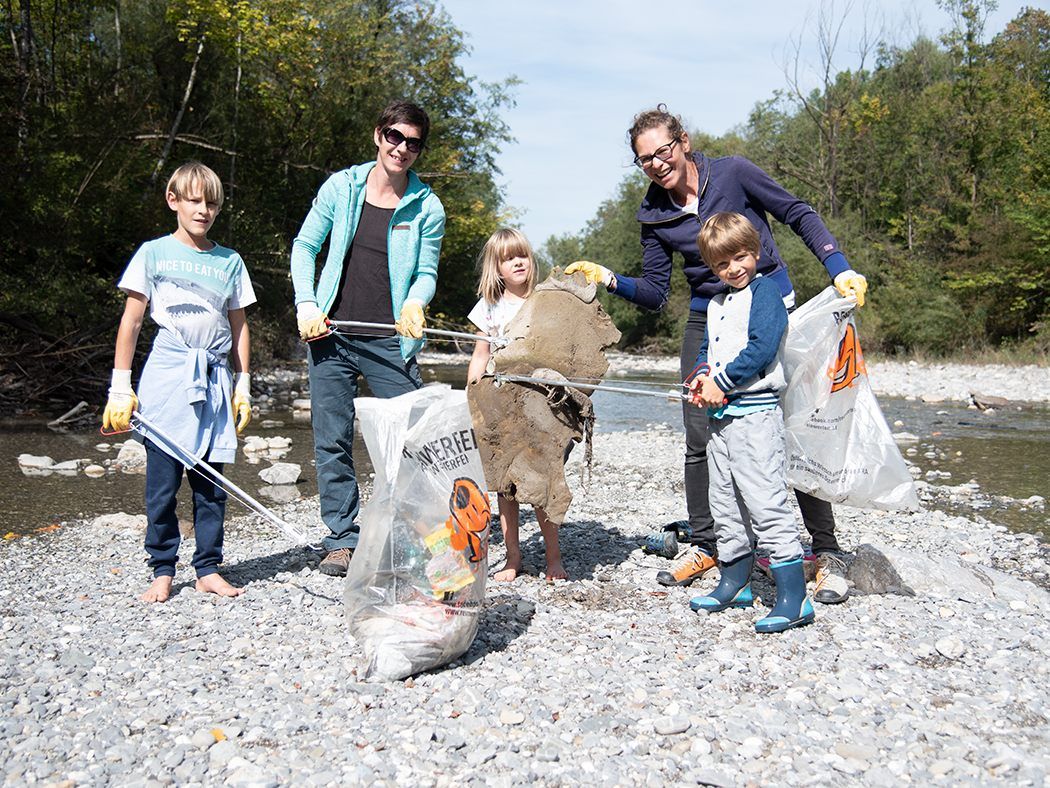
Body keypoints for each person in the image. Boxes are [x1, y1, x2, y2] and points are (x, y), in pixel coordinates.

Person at [566, 105, 867, 604]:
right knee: (699, 432)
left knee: (792, 429)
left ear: (683, 141)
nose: (657, 164)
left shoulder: (732, 172)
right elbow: (658, 292)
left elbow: (797, 212)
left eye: (663, 151)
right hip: (709, 318)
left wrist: (838, 266)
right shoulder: (653, 214)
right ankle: (712, 544)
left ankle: (825, 549)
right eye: (645, 160)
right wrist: (610, 279)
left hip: (769, 304)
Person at [290, 100, 445, 577]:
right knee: (331, 441)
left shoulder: (428, 207)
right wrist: (306, 303)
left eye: (413, 143)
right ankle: (342, 538)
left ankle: (413, 533)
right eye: (395, 137)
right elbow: (305, 246)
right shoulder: (343, 186)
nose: (402, 148)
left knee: (416, 439)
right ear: (379, 135)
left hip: (389, 340)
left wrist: (416, 303)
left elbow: (424, 272)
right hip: (330, 334)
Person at [102, 161, 255, 603]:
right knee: (162, 483)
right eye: (194, 200)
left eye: (211, 203)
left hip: (213, 376)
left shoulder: (230, 261)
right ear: (174, 201)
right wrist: (120, 385)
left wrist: (242, 383)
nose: (203, 210)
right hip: (167, 374)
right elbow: (131, 323)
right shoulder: (152, 253)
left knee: (210, 481)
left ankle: (208, 567)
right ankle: (162, 569)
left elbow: (240, 326)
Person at [685, 212, 814, 633]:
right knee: (725, 503)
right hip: (721, 421)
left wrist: (722, 381)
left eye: (740, 257)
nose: (733, 269)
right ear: (712, 267)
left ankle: (794, 599)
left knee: (766, 502)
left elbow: (761, 348)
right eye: (722, 264)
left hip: (756, 417)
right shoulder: (717, 303)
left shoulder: (767, 293)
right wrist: (701, 377)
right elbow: (706, 348)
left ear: (755, 252)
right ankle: (735, 581)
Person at [466, 228, 567, 581]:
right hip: (500, 405)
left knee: (541, 484)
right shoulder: (489, 308)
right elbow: (480, 356)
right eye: (508, 259)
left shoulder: (544, 301)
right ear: (497, 268)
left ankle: (553, 557)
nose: (517, 262)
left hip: (539, 406)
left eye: (521, 255)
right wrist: (473, 398)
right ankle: (513, 557)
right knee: (506, 487)